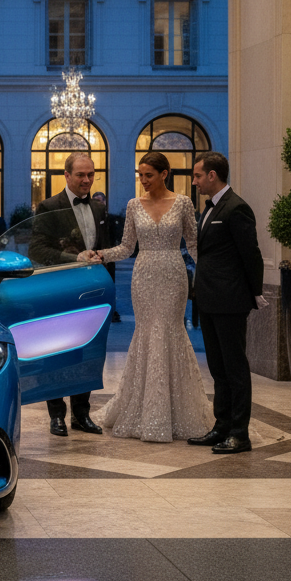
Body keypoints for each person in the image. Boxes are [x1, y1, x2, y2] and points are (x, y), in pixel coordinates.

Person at [82, 152, 213, 441]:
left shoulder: (182, 203)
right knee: (146, 334)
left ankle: (176, 411)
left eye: (149, 175)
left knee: (170, 332)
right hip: (143, 277)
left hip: (173, 276)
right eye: (140, 175)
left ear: (164, 174)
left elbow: (193, 244)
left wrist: (215, 269)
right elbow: (127, 247)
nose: (143, 180)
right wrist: (101, 255)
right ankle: (144, 409)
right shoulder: (133, 205)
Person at [187, 151, 266, 454]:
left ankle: (239, 433)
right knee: (218, 368)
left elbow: (252, 254)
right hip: (208, 299)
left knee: (235, 368)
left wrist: (254, 293)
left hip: (231, 301)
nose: (194, 181)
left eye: (197, 175)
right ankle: (221, 426)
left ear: (212, 175)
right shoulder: (208, 208)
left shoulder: (237, 208)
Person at [28, 152, 111, 436]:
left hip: (92, 292)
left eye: (91, 175)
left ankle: (81, 414)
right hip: (59, 290)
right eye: (80, 175)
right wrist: (73, 258)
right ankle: (57, 416)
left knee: (86, 351)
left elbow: (104, 250)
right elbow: (36, 250)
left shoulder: (99, 208)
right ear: (66, 175)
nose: (87, 180)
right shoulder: (49, 206)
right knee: (57, 351)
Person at [91, 191, 122, 324]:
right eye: (95, 202)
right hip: (92, 257)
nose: (98, 205)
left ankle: (110, 310)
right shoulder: (89, 219)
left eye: (100, 202)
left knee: (109, 284)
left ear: (104, 202)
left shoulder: (111, 219)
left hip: (108, 258)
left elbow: (116, 237)